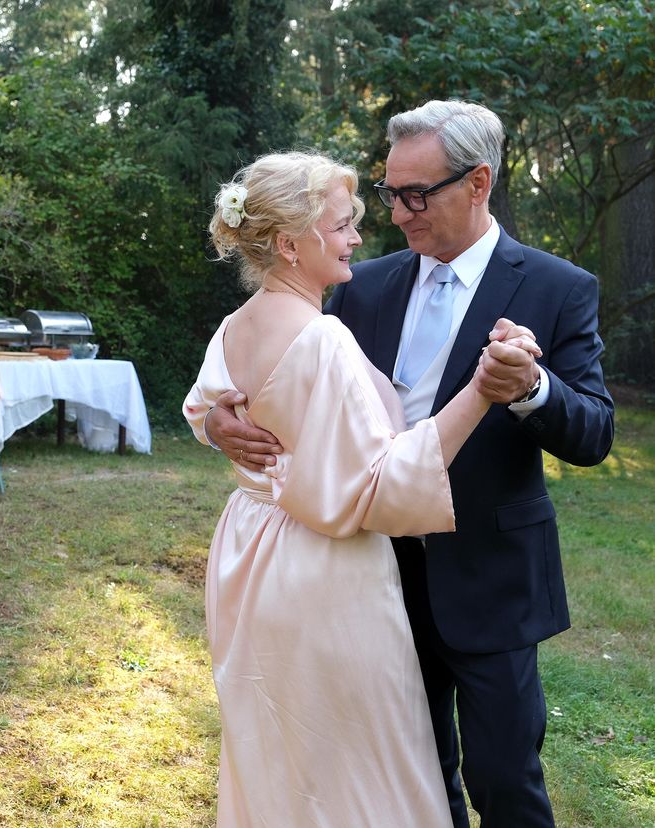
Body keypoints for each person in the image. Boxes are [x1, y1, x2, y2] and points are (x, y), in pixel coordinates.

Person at [203, 102, 615, 827]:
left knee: (506, 780)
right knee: (408, 778)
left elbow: (594, 434)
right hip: (363, 574)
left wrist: (531, 389)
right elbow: (263, 365)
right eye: (389, 193)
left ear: (479, 182)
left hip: (490, 576)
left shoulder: (559, 287)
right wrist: (216, 418)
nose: (395, 215)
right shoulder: (359, 284)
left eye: (415, 194)